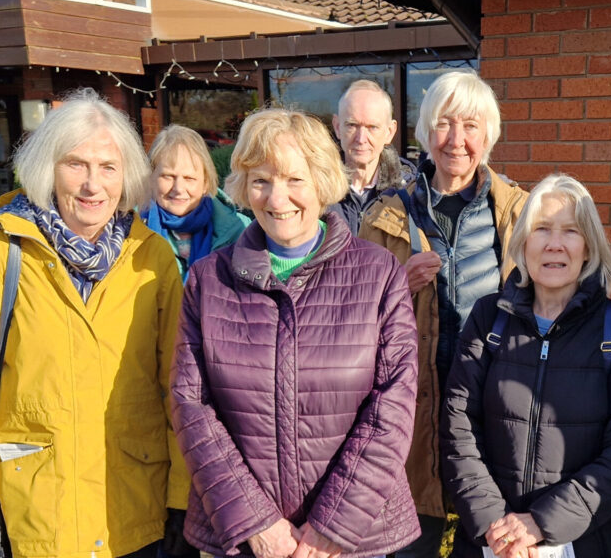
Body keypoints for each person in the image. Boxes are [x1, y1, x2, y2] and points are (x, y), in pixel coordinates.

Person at [0, 88, 189, 558]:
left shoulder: (152, 258)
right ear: (48, 169)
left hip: (136, 512)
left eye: (108, 167)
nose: (93, 185)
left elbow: (180, 389)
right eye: (76, 165)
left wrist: (184, 500)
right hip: (35, 515)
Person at [171, 107, 420, 558]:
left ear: (322, 181)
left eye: (295, 179)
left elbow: (394, 407)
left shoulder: (378, 273)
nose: (276, 197)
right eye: (261, 179)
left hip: (352, 541)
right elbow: (193, 406)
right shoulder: (209, 280)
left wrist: (331, 527)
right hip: (244, 539)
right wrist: (257, 523)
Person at [439, 174, 611, 558]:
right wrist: (498, 526)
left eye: (570, 231)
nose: (554, 244)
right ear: (523, 241)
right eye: (541, 229)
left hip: (581, 542)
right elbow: (458, 427)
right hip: (489, 542)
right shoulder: (488, 318)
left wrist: (541, 524)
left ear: (589, 247)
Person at [359, 70, 529, 558]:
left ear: (489, 135)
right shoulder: (385, 215)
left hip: (490, 418)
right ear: (425, 132)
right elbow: (350, 324)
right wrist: (396, 285)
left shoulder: (518, 213)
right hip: (412, 417)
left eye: (471, 126)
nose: (457, 140)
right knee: (412, 543)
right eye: (444, 124)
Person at [142, 124, 250, 280]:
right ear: (151, 178)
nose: (179, 188)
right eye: (168, 176)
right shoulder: (130, 231)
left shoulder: (241, 230)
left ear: (206, 182)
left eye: (189, 178)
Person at [329, 79, 416, 235]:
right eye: (352, 125)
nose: (361, 138)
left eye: (372, 127)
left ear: (390, 131)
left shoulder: (411, 192)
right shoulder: (316, 188)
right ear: (337, 127)